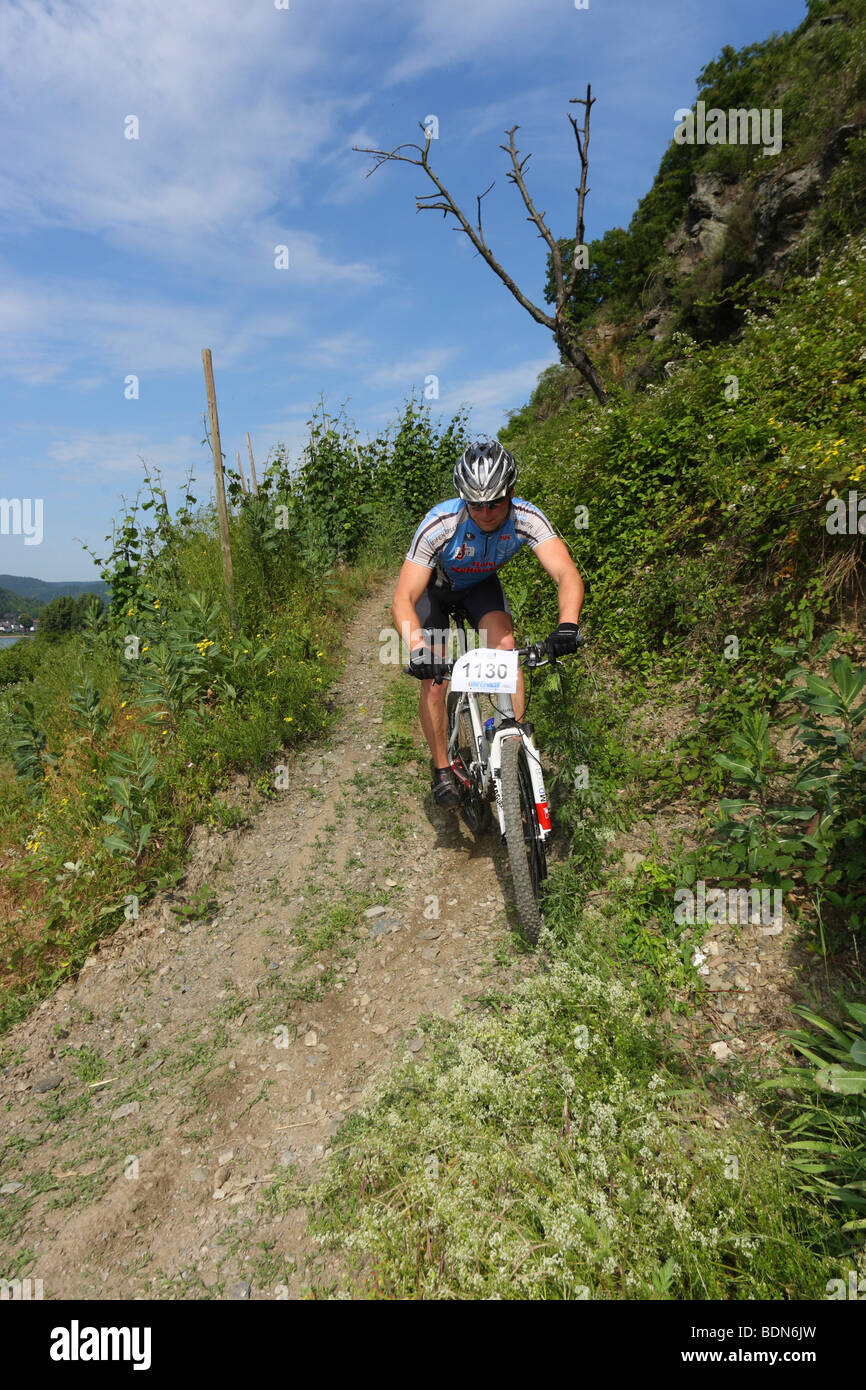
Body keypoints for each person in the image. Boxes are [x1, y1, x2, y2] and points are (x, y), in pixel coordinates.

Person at [391, 439, 584, 809]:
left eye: (494, 503)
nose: (485, 513)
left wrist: (568, 625)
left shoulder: (526, 517)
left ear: (510, 493)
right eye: (475, 504)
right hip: (435, 590)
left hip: (479, 587)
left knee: (506, 651)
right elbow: (403, 598)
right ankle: (442, 768)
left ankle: (510, 745)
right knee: (435, 681)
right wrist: (417, 649)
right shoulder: (440, 523)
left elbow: (566, 573)